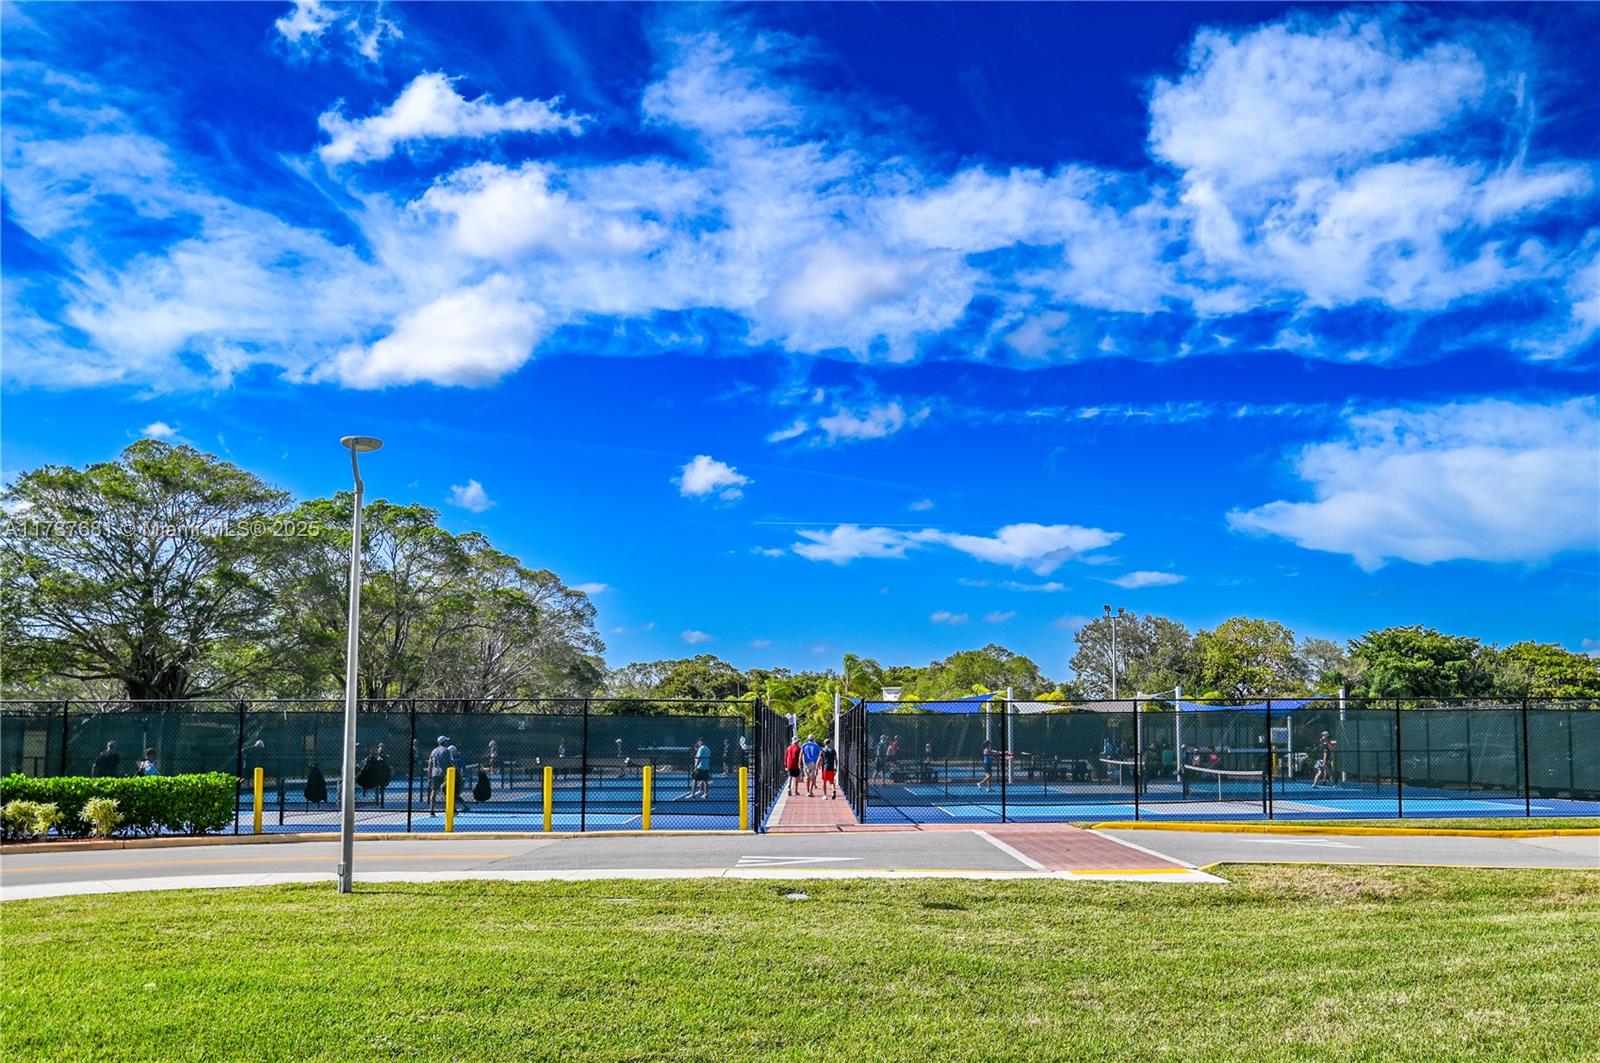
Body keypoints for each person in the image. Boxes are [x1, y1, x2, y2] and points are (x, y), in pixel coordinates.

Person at [427, 735, 452, 813]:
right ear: (443, 742)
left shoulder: (433, 751)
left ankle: (432, 810)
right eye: (446, 741)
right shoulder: (447, 751)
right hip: (445, 774)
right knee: (447, 792)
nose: (447, 742)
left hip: (435, 774)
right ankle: (449, 809)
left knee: (434, 791)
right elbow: (450, 763)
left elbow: (430, 764)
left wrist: (429, 775)